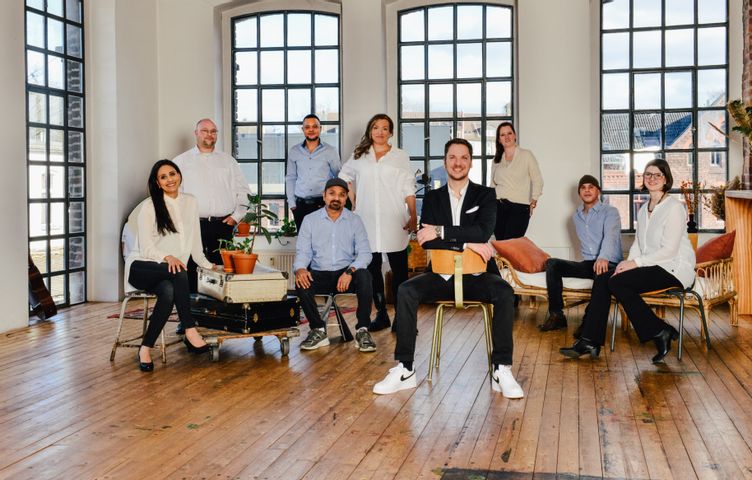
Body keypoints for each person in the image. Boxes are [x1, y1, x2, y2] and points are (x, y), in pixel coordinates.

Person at [373, 138, 524, 398]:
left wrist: (443, 232)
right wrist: (468, 243)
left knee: (504, 292)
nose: (458, 163)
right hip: (441, 274)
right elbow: (426, 239)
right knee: (406, 290)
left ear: (471, 162)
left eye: (464, 157)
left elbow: (483, 231)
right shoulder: (433, 197)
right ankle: (405, 369)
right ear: (445, 162)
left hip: (477, 274)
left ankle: (501, 369)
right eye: (452, 157)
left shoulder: (486, 195)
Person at [559, 159, 696, 363]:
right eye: (648, 174)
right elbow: (639, 244)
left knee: (616, 282)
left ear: (666, 179)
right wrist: (627, 263)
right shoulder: (644, 209)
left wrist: (635, 263)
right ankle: (590, 340)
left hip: (674, 268)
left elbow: (669, 251)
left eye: (657, 175)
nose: (652, 178)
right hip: (651, 266)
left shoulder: (674, 207)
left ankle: (660, 330)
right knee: (604, 278)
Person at [125, 160, 215, 372]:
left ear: (179, 175)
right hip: (142, 266)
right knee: (179, 270)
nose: (169, 180)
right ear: (157, 183)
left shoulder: (191, 202)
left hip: (171, 272)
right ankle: (190, 328)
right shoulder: (149, 207)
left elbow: (195, 244)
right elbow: (146, 247)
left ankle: (145, 348)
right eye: (163, 177)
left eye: (172, 174)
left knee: (168, 291)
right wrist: (168, 257)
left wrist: (210, 266)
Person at [339, 114, 417, 332]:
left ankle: (402, 317)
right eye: (375, 127)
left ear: (391, 132)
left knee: (400, 271)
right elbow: (344, 176)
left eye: (384, 128)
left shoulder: (400, 156)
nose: (380, 132)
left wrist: (413, 215)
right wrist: (353, 198)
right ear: (370, 130)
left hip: (394, 219)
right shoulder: (359, 155)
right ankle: (382, 315)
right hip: (367, 220)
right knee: (372, 270)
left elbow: (408, 186)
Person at [294, 178, 376, 352]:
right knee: (301, 280)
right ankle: (318, 330)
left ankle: (362, 330)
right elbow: (303, 252)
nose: (336, 198)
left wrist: (349, 272)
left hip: (345, 275)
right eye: (332, 194)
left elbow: (365, 253)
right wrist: (300, 268)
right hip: (320, 273)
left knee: (365, 275)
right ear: (324, 196)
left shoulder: (355, 221)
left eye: (341, 195)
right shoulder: (310, 220)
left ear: (346, 199)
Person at [173, 118, 251, 293]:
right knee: (191, 268)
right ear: (196, 133)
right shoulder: (180, 162)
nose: (209, 134)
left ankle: (219, 308)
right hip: (193, 224)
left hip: (223, 225)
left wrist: (236, 217)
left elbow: (244, 191)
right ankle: (193, 305)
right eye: (205, 131)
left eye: (213, 131)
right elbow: (175, 195)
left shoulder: (228, 161)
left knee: (222, 270)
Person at [538, 175, 623, 332]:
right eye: (583, 188)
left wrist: (603, 257)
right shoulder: (576, 216)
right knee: (552, 263)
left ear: (598, 191)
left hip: (610, 263)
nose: (587, 190)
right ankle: (557, 316)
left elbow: (610, 236)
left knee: (600, 272)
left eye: (591, 187)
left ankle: (588, 322)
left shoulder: (610, 211)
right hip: (589, 264)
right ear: (579, 193)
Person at [285, 114, 342, 231]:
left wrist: (334, 201)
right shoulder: (294, 151)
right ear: (303, 130)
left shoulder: (330, 151)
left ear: (320, 128)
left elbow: (338, 177)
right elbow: (290, 178)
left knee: (324, 239)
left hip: (323, 204)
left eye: (315, 126)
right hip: (300, 206)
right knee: (303, 240)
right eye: (307, 127)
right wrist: (292, 204)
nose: (311, 130)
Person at [490, 122, 544, 240]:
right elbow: (492, 185)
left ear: (515, 135)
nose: (507, 137)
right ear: (499, 140)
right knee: (501, 244)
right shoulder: (496, 160)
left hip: (519, 207)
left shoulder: (526, 155)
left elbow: (537, 180)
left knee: (512, 245)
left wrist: (533, 201)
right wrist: (490, 205)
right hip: (498, 207)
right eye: (502, 135)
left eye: (509, 133)